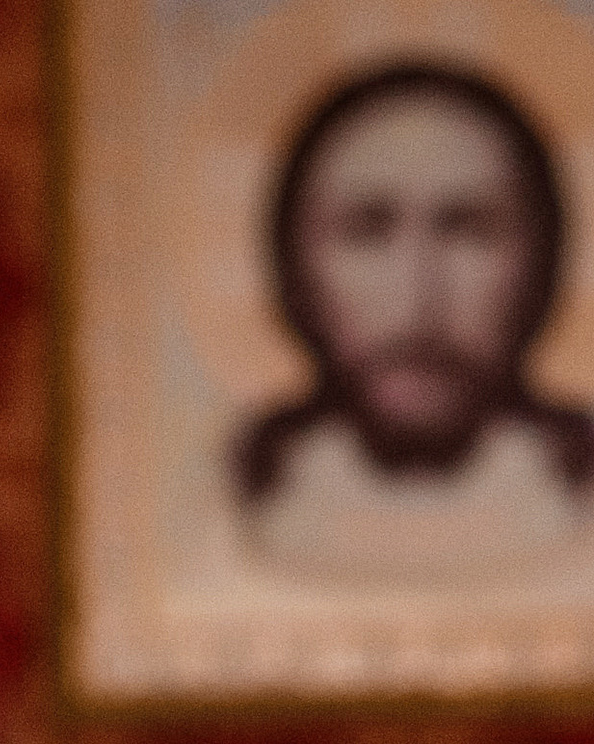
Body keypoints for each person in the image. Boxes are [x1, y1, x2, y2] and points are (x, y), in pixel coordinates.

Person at [235, 63, 594, 575]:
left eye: (472, 232)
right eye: (366, 232)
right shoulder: (226, 503)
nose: (417, 299)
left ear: (542, 259)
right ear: (293, 261)